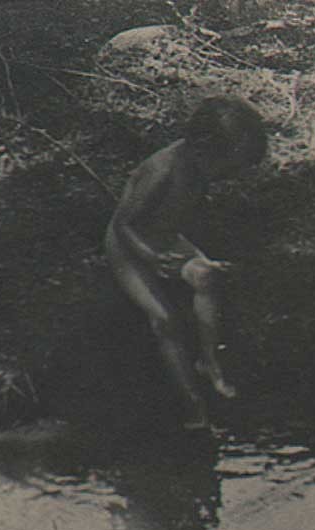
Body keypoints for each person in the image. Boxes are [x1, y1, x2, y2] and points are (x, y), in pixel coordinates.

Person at [105, 95, 267, 430]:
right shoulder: (162, 170)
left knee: (208, 277)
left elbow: (179, 212)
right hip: (130, 246)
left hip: (164, 236)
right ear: (203, 150)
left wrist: (195, 256)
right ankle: (192, 403)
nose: (229, 176)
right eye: (228, 168)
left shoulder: (200, 165)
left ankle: (209, 362)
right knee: (166, 321)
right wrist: (151, 257)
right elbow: (123, 225)